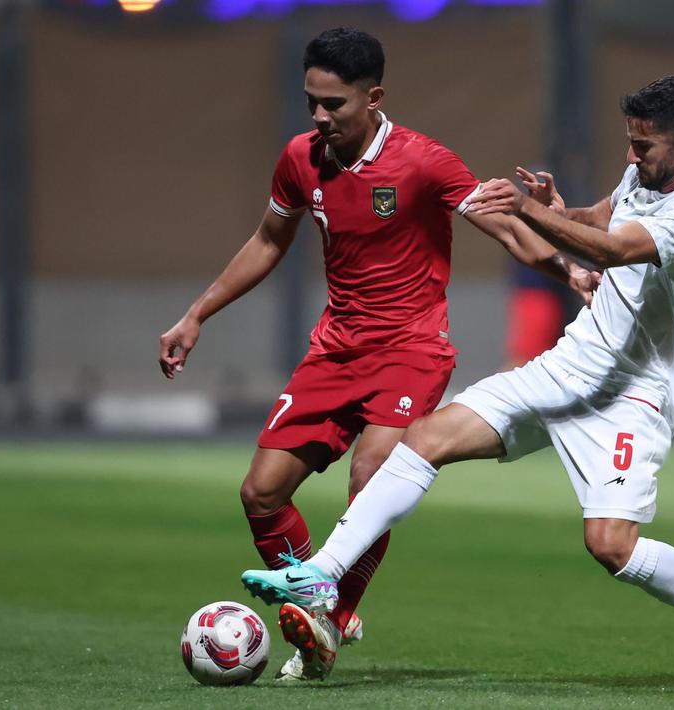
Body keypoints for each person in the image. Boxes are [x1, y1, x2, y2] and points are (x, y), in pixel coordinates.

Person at [243, 75, 674, 689]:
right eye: (629, 144)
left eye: (643, 147)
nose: (632, 157)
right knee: (426, 439)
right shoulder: (647, 174)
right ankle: (324, 572)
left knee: (611, 546)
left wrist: (523, 211)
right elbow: (600, 219)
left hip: (631, 394)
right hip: (567, 366)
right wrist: (555, 210)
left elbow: (613, 249)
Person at [158, 27, 595, 682]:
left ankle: (330, 620)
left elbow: (505, 227)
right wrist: (196, 314)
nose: (319, 116)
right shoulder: (301, 159)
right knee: (260, 494)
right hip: (335, 349)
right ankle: (316, 600)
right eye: (312, 101)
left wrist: (569, 273)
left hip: (412, 349)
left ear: (374, 97)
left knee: (371, 478)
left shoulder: (423, 162)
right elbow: (268, 241)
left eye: (333, 104)